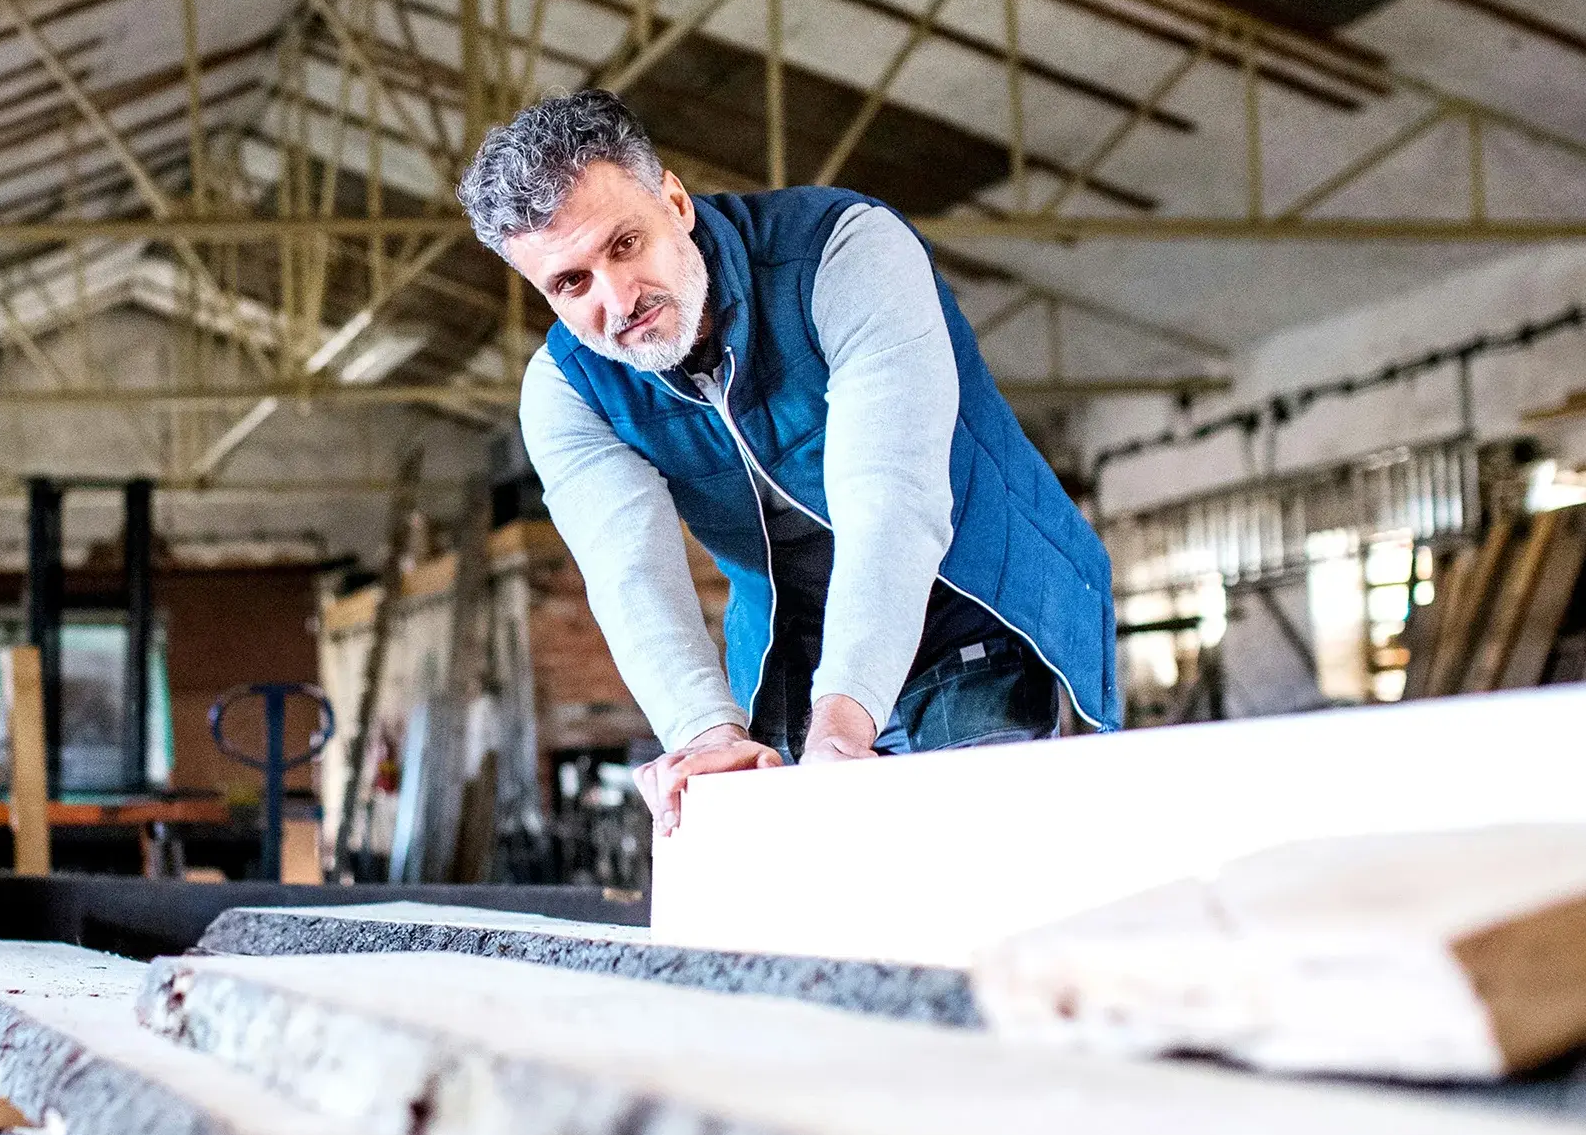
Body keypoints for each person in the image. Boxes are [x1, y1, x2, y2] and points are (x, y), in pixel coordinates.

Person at [457, 90, 1119, 835]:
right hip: (788, 655)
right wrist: (708, 736)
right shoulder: (565, 393)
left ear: (674, 201)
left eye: (624, 244)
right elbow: (631, 578)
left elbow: (891, 498)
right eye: (570, 283)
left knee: (966, 868)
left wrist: (842, 726)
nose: (618, 298)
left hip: (969, 612)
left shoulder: (847, 252)